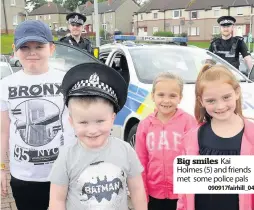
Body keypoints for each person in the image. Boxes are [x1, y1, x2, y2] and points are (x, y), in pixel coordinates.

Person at [48, 62, 147, 210]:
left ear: (113, 118)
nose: (92, 130)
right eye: (83, 122)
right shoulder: (66, 157)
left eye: (100, 121)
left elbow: (137, 189)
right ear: (72, 122)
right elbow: (57, 200)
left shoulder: (125, 151)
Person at [0, 20, 74, 210]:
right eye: (24, 47)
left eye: (38, 46)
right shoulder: (5, 85)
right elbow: (3, 132)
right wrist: (2, 168)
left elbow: (77, 125)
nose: (32, 52)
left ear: (51, 48)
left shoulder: (66, 80)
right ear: (14, 50)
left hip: (62, 174)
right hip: (24, 176)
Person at [176, 64, 254, 210]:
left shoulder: (252, 136)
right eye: (211, 101)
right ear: (201, 101)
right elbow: (184, 195)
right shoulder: (193, 138)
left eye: (226, 97)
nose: (220, 106)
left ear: (237, 92)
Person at [135, 72, 196, 210]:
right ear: (152, 96)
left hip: (181, 194)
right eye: (161, 95)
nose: (166, 100)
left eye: (172, 96)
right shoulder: (145, 125)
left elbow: (194, 158)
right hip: (153, 194)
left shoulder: (189, 122)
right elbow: (140, 161)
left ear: (180, 98)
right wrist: (142, 193)